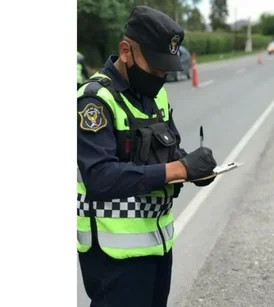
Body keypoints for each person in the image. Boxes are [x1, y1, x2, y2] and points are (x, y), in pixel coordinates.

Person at [77, 6, 217, 307]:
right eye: (155, 68)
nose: (161, 77)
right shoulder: (94, 102)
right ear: (125, 51)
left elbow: (169, 152)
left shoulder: (156, 96)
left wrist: (193, 167)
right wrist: (177, 170)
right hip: (114, 257)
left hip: (158, 244)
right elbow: (100, 178)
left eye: (166, 69)